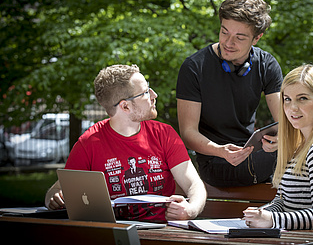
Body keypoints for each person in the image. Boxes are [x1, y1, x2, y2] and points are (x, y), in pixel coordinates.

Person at [45, 64, 207, 222]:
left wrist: (190, 210)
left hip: (162, 232)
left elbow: (194, 185)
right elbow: (58, 190)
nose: (154, 95)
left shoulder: (164, 134)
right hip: (113, 233)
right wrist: (54, 198)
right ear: (125, 106)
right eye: (145, 92)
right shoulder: (89, 142)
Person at [176, 0, 283, 187]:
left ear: (257, 38)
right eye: (224, 32)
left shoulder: (267, 65)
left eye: (239, 37)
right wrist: (221, 151)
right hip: (215, 160)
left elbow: (284, 122)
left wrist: (280, 140)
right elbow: (188, 134)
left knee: (298, 146)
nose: (228, 42)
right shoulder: (194, 67)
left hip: (254, 154)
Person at [243, 64, 313, 231]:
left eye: (303, 98)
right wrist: (261, 213)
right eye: (287, 99)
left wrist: (272, 219)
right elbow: (284, 201)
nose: (293, 107)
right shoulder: (301, 146)